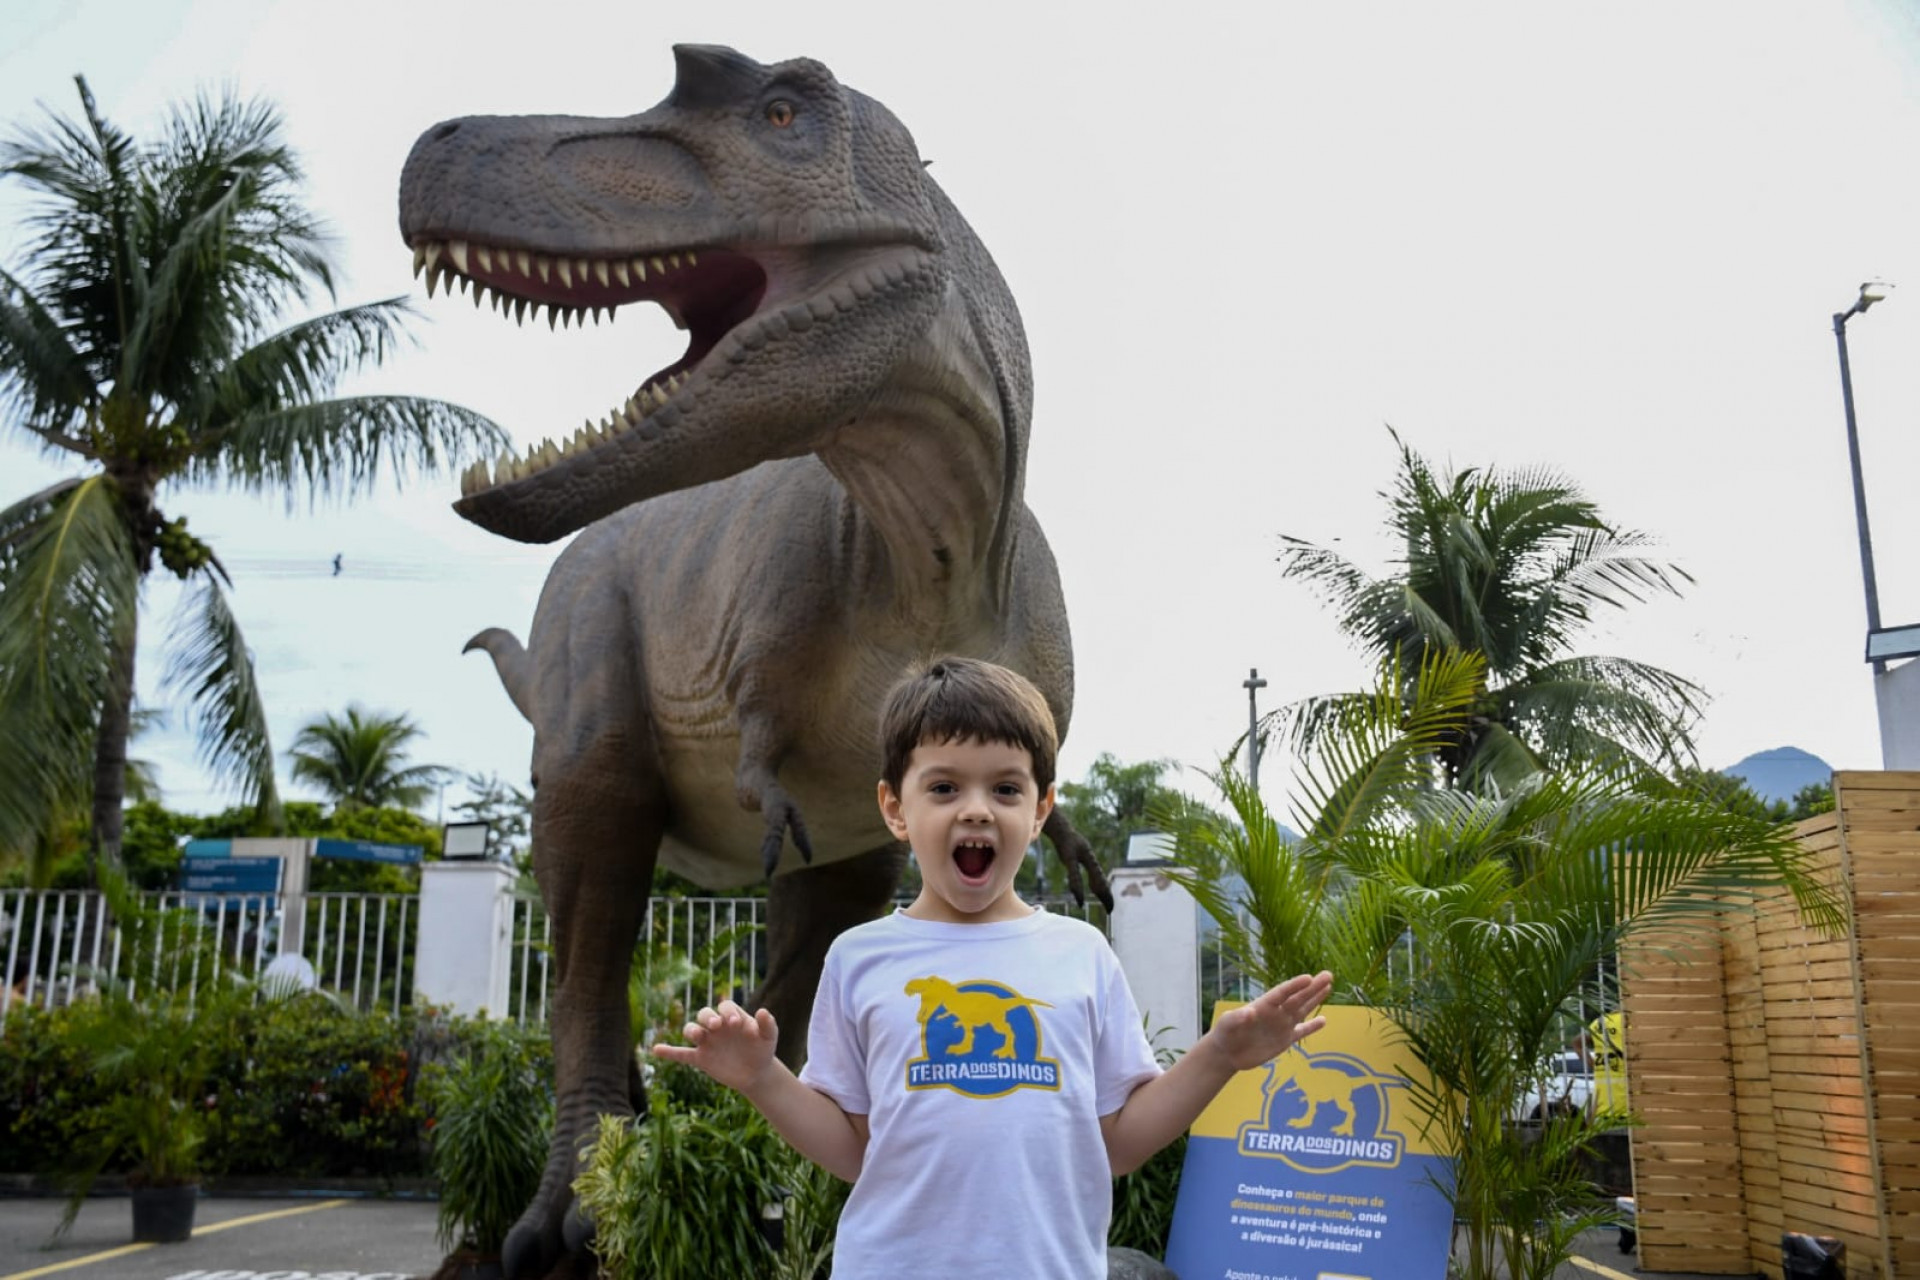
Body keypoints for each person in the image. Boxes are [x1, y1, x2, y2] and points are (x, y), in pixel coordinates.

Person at [652, 656, 1333, 1278]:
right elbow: (856, 1148)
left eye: (1006, 789)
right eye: (944, 786)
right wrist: (760, 1076)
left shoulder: (1082, 953)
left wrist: (1220, 1053)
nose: (977, 808)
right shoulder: (858, 958)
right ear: (896, 808)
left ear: (1039, 811)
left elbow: (1119, 1145)